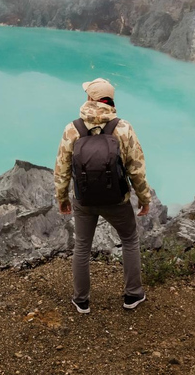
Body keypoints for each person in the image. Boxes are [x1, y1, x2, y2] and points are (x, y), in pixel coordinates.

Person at [54, 77, 153, 314]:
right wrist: (144, 197)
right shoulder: (123, 128)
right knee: (129, 241)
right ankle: (133, 295)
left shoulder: (73, 128)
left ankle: (81, 300)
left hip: (84, 200)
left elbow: (62, 168)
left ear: (90, 98)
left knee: (82, 247)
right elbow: (136, 168)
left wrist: (62, 197)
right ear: (110, 100)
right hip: (117, 200)